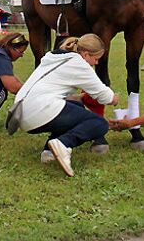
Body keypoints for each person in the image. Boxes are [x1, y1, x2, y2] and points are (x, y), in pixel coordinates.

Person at [13, 34, 118, 177]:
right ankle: (63, 144)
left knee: (76, 106)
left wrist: (78, 97)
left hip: (21, 113)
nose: (96, 63)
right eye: (96, 59)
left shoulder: (53, 58)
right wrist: (114, 98)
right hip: (39, 112)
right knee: (99, 124)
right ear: (86, 54)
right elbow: (105, 96)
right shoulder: (79, 64)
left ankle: (49, 152)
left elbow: (50, 88)